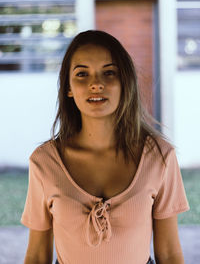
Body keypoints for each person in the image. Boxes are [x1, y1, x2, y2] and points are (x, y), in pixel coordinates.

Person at [21, 30, 189, 264]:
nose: (96, 84)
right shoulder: (44, 162)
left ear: (124, 82)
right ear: (68, 87)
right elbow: (37, 255)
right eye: (82, 74)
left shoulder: (160, 157)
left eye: (109, 73)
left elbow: (170, 253)